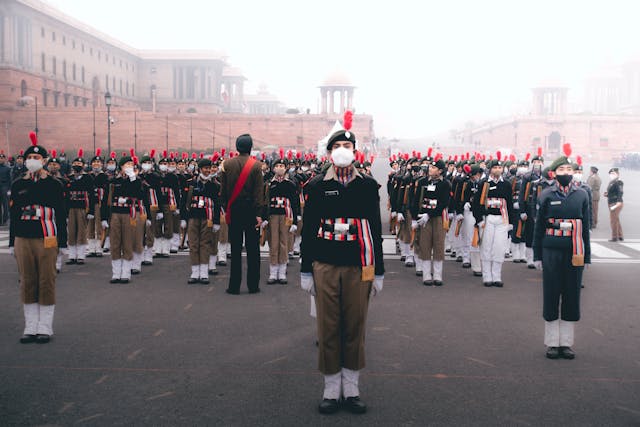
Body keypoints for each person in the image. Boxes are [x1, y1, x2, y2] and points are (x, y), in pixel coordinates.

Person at [300, 113, 384, 414]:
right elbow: (308, 230)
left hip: (359, 265)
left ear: (355, 151)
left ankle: (352, 390)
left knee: (355, 327)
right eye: (339, 145)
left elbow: (375, 229)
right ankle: (331, 390)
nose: (344, 149)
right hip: (325, 264)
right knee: (328, 327)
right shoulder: (317, 187)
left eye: (349, 145)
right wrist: (306, 269)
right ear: (329, 152)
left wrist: (379, 272)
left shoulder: (367, 186)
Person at [533, 144, 590, 360]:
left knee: (571, 294)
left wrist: (588, 256)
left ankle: (566, 343)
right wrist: (537, 255)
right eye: (562, 170)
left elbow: (586, 228)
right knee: (551, 294)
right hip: (552, 251)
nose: (566, 174)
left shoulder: (582, 195)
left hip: (575, 251)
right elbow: (539, 227)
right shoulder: (546, 195)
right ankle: (552, 343)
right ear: (554, 173)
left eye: (569, 170)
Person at [9, 132, 66, 344]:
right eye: (29, 159)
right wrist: (11, 241)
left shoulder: (54, 184)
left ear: (44, 161)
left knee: (46, 280)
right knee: (27, 281)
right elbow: (14, 215)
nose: (32, 162)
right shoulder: (17, 184)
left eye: (37, 158)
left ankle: (45, 327)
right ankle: (30, 326)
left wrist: (63, 242)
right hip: (24, 236)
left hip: (46, 236)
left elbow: (60, 214)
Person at [219, 134, 265, 295]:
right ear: (250, 147)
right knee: (253, 250)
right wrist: (259, 213)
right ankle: (253, 285)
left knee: (236, 249)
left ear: (237, 147)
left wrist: (227, 207)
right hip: (251, 211)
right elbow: (259, 192)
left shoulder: (227, 164)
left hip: (234, 210)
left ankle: (234, 286)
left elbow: (222, 191)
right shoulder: (256, 166)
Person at [101, 155, 146, 284]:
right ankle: (116, 273)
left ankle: (126, 272)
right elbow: (105, 200)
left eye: (131, 165)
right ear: (120, 167)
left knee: (127, 242)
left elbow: (139, 194)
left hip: (129, 214)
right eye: (126, 165)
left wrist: (133, 178)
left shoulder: (136, 181)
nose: (129, 167)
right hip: (115, 213)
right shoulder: (113, 182)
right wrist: (104, 218)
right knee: (115, 243)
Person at [475, 153, 514, 287]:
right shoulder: (484, 183)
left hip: (502, 219)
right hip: (488, 218)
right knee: (486, 247)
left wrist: (511, 222)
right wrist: (479, 219)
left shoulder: (507, 185)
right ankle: (487, 276)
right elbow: (477, 203)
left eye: (500, 167)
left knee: (499, 247)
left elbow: (509, 203)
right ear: (490, 169)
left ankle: (497, 275)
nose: (498, 169)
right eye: (495, 167)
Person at [410, 155, 450, 286]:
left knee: (438, 245)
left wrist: (430, 214)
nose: (430, 169)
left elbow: (443, 203)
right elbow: (416, 201)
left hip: (437, 217)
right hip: (423, 217)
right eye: (430, 167)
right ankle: (426, 275)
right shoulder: (422, 182)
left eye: (434, 168)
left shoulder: (445, 184)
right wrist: (415, 218)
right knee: (425, 245)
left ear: (440, 171)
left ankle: (438, 275)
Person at [181, 157, 221, 284]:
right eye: (205, 168)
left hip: (207, 218)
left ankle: (204, 272)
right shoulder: (191, 183)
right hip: (193, 216)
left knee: (205, 244)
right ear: (199, 169)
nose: (208, 171)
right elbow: (184, 201)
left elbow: (217, 204)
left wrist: (216, 221)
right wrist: (183, 218)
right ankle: (195, 272)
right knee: (193, 244)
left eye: (209, 168)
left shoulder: (215, 185)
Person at [264, 154, 300, 284]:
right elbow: (265, 202)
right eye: (277, 166)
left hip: (286, 216)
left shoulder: (290, 184)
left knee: (284, 243)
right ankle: (273, 272)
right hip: (273, 215)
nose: (280, 168)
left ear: (286, 168)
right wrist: (264, 218)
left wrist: (295, 221)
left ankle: (282, 272)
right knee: (273, 242)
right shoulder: (269, 184)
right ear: (273, 168)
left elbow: (295, 203)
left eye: (282, 166)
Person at [65, 150, 96, 265]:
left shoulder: (87, 178)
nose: (77, 166)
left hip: (83, 207)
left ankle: (81, 256)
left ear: (83, 166)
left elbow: (92, 195)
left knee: (81, 232)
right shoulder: (69, 178)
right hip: (71, 207)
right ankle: (72, 255)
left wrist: (91, 211)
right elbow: (66, 196)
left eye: (79, 164)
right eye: (75, 164)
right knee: (72, 232)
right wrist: (65, 211)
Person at [604, 167, 623, 242]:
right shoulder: (612, 182)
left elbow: (620, 192)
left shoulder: (619, 182)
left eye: (613, 173)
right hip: (611, 202)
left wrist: (618, 201)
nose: (612, 175)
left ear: (618, 174)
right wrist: (607, 194)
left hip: (615, 203)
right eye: (611, 174)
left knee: (613, 220)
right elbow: (612, 192)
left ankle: (614, 237)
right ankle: (620, 235)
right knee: (616, 219)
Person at [0, 151, 12, 225]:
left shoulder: (7, 168)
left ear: (4, 159)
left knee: (5, 205)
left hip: (4, 187)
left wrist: (9, 189)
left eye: (2, 158)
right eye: (0, 158)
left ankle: (5, 220)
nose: (1, 159)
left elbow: (10, 179)